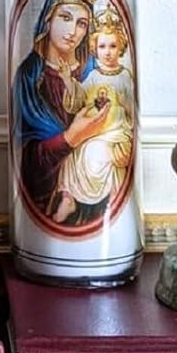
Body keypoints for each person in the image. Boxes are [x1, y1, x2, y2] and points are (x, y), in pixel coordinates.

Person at [12, 0, 112, 229]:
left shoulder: (94, 70)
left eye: (82, 23)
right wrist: (70, 137)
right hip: (47, 198)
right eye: (65, 18)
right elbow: (28, 159)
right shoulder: (30, 76)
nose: (73, 31)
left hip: (96, 193)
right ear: (48, 19)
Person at [52, 12, 135, 224]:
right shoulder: (94, 75)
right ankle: (68, 198)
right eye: (102, 46)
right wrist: (68, 80)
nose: (107, 52)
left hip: (115, 133)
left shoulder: (124, 76)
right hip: (93, 131)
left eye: (112, 46)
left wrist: (124, 104)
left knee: (100, 153)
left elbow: (132, 110)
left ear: (121, 48)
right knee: (71, 158)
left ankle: (114, 199)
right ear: (95, 49)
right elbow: (79, 99)